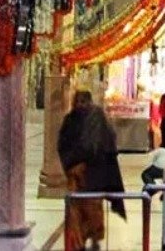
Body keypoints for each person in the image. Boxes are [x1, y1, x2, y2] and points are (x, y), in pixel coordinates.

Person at [58, 90, 126, 251]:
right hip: (77, 173)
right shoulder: (71, 119)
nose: (80, 105)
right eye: (78, 102)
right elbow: (63, 144)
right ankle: (79, 242)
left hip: (94, 173)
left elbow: (107, 141)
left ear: (89, 101)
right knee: (76, 210)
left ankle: (94, 239)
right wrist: (73, 164)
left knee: (93, 209)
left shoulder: (98, 118)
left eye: (83, 101)